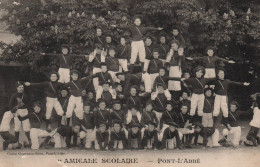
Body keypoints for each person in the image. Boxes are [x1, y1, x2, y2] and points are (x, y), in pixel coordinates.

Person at [9, 81, 31, 147]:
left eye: (22, 87)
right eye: (20, 87)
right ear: (17, 88)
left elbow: (29, 104)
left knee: (27, 127)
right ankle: (16, 143)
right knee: (17, 128)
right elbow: (10, 105)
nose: (21, 88)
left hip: (25, 111)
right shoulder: (14, 95)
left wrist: (28, 112)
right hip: (17, 112)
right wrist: (13, 112)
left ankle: (30, 142)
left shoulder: (26, 95)